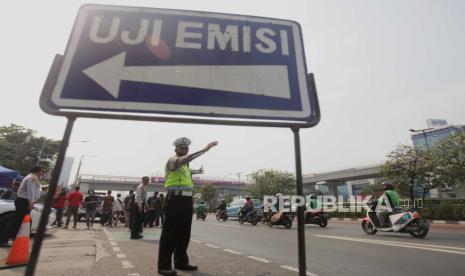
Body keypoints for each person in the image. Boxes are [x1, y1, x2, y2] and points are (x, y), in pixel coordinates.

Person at [158, 137, 218, 275]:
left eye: (186, 148)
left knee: (184, 233)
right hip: (174, 199)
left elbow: (189, 169)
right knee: (169, 234)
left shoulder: (185, 167)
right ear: (176, 149)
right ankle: (163, 266)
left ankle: (181, 262)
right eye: (182, 148)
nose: (185, 150)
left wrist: (198, 171)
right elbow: (184, 160)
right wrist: (205, 150)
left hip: (186, 200)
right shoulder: (173, 160)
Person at [0, 166, 43, 247]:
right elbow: (30, 191)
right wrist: (31, 203)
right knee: (16, 222)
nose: (41, 173)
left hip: (24, 201)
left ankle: (14, 240)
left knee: (19, 222)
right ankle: (3, 240)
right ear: (38, 171)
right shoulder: (32, 178)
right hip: (24, 201)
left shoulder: (31, 177)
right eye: (41, 171)